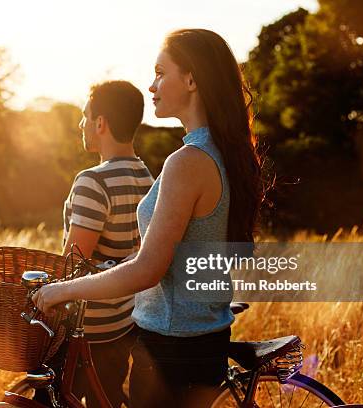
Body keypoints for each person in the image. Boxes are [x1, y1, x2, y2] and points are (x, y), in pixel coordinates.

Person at [33, 29, 263, 407]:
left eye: (160, 72)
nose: (152, 84)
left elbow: (148, 270)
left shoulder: (188, 162)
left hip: (172, 349)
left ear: (191, 80)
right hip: (198, 337)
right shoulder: (220, 151)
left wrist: (64, 289)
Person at [37, 80, 154, 408]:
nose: (81, 124)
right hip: (123, 324)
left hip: (85, 330)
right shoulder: (148, 177)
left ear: (100, 123)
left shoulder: (92, 181)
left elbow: (74, 262)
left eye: (85, 116)